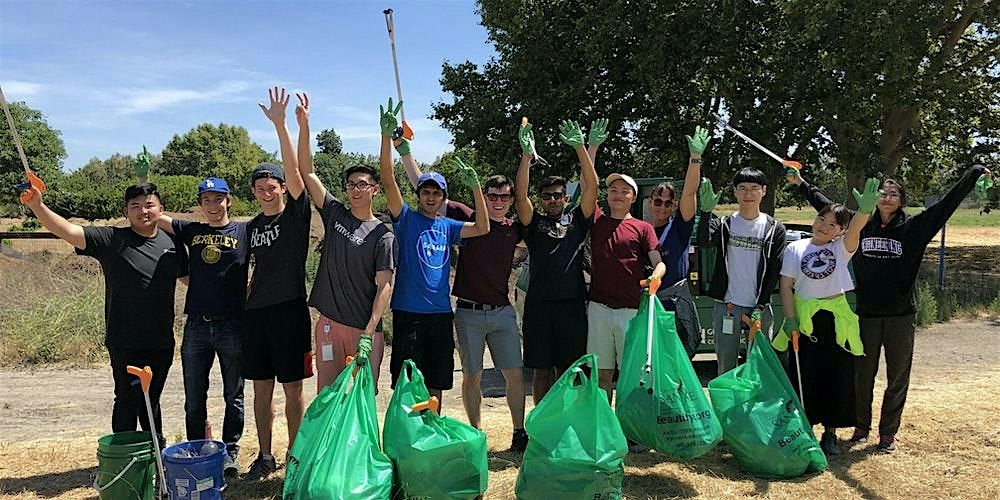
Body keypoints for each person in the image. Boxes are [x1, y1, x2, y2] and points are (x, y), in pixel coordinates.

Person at [788, 163, 992, 453]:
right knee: (862, 374)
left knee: (898, 376)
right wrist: (801, 183)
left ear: (902, 200)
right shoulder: (861, 224)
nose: (886, 197)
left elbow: (946, 205)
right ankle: (861, 426)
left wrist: (973, 174)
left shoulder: (915, 227)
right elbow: (827, 207)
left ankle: (887, 433)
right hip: (866, 314)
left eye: (893, 194)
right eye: (883, 193)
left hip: (901, 315)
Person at [20, 181, 187, 441]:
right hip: (125, 339)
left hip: (162, 339)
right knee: (127, 398)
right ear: (126, 212)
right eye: (135, 206)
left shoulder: (173, 244)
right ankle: (123, 451)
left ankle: (154, 449)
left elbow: (191, 280)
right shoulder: (111, 239)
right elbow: (68, 230)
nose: (143, 211)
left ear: (161, 209)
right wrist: (37, 206)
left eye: (149, 205)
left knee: (151, 397)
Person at [378, 98, 490, 410]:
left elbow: (483, 227)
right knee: (407, 383)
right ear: (418, 195)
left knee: (437, 384)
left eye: (436, 193)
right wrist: (387, 138)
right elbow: (387, 178)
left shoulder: (448, 226)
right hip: (409, 313)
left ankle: (433, 430)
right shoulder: (406, 220)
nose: (430, 197)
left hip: (441, 314)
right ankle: (405, 432)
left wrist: (476, 188)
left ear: (443, 198)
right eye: (425, 192)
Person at [294, 92, 396, 392]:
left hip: (364, 331)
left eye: (362, 184)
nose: (355, 190)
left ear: (374, 190)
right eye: (351, 184)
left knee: (362, 398)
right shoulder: (335, 213)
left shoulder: (383, 236)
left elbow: (385, 287)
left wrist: (369, 332)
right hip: (329, 324)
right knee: (328, 396)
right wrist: (304, 126)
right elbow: (307, 172)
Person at [241, 87, 313, 481]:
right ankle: (265, 455)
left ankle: (295, 454)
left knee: (293, 390)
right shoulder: (251, 227)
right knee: (260, 389)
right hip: (256, 315)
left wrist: (282, 125)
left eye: (273, 186)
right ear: (253, 192)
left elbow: (296, 170)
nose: (267, 192)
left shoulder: (296, 216)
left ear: (283, 188)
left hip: (290, 311)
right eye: (260, 188)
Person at [776, 178, 878, 456]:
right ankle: (805, 428)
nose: (824, 225)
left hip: (835, 321)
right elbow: (786, 286)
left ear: (840, 230)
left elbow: (856, 229)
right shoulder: (795, 248)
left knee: (837, 375)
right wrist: (790, 318)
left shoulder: (840, 248)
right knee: (805, 375)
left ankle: (830, 433)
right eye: (821, 219)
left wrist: (864, 211)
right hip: (805, 321)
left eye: (832, 224)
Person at [154, 175, 247, 476]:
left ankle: (230, 452)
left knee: (234, 394)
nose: (213, 205)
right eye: (207, 200)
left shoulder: (243, 231)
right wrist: (144, 179)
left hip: (232, 324)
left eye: (218, 199)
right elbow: (155, 215)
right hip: (196, 325)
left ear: (228, 200)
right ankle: (196, 450)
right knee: (194, 396)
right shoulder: (192, 230)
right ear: (200, 204)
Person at [515, 119, 599, 404]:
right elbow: (520, 196)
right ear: (541, 199)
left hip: (572, 305)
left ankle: (567, 420)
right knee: (540, 372)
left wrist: (580, 148)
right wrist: (526, 157)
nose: (552, 200)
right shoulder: (533, 223)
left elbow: (592, 187)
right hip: (539, 305)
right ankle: (541, 422)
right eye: (547, 196)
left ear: (565, 198)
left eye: (557, 195)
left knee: (569, 370)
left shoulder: (577, 221)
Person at [697, 168, 787, 375]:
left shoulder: (774, 228)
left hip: (759, 306)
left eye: (754, 188)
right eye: (743, 188)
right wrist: (705, 212)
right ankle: (727, 398)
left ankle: (757, 397)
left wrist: (761, 305)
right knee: (726, 366)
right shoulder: (724, 224)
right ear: (735, 192)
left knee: (760, 365)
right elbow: (703, 242)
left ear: (764, 191)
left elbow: (774, 270)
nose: (748, 194)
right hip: (727, 306)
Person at [587, 167, 665, 402]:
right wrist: (588, 150)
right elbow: (587, 184)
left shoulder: (643, 228)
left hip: (630, 310)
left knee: (629, 375)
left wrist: (656, 277)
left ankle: (627, 422)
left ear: (633, 197)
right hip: (599, 308)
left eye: (624, 191)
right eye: (613, 190)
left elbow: (659, 262)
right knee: (602, 374)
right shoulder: (596, 220)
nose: (618, 195)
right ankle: (605, 421)